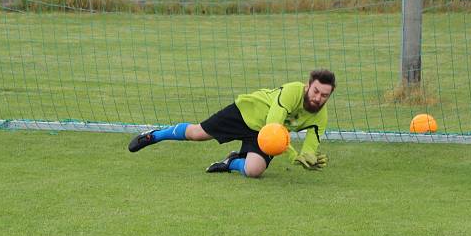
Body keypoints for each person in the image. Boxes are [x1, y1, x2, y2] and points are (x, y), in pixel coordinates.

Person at [129, 69, 336, 178]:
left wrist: (307, 158)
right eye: (315, 91)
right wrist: (293, 154)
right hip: (247, 114)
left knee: (254, 171)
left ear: (329, 95)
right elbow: (273, 126)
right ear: (308, 86)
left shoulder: (320, 117)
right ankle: (155, 135)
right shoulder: (292, 91)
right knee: (197, 133)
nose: (318, 98)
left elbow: (310, 147)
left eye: (324, 95)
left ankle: (230, 162)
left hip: (265, 134)